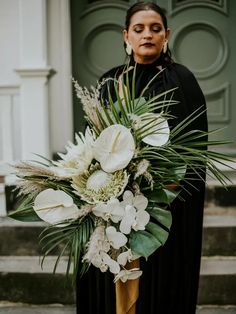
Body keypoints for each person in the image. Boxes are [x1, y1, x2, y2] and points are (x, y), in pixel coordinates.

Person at [76, 2, 208, 314]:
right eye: (139, 29)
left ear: (167, 35)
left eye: (155, 28)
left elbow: (195, 148)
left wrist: (164, 190)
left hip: (164, 204)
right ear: (126, 35)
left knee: (159, 286)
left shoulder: (182, 81)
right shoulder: (110, 82)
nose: (147, 34)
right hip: (111, 202)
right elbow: (91, 143)